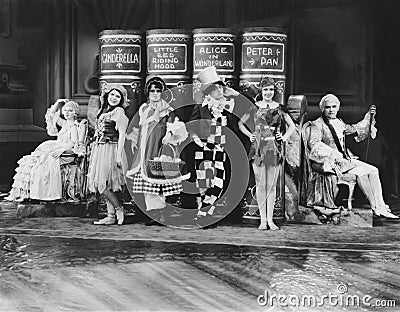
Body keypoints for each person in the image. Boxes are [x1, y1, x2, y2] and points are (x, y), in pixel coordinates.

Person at [307, 93, 398, 219]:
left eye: (334, 106)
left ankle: (381, 207)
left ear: (338, 108)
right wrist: (333, 154)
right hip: (331, 162)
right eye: (328, 107)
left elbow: (354, 129)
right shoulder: (317, 124)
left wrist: (368, 118)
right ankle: (375, 207)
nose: (331, 110)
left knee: (374, 170)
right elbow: (314, 143)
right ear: (323, 108)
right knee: (362, 174)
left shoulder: (339, 122)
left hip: (346, 159)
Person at [126, 76, 189, 226]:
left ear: (162, 92)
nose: (155, 94)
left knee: (158, 179)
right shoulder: (143, 109)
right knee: (146, 180)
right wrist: (136, 141)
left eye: (158, 91)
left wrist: (169, 136)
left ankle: (161, 214)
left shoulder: (167, 109)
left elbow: (176, 127)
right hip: (144, 148)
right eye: (152, 91)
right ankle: (151, 213)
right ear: (148, 93)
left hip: (158, 149)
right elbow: (139, 127)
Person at [187, 66, 242, 226]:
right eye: (215, 88)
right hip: (204, 149)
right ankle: (205, 215)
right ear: (208, 92)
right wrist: (197, 140)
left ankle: (203, 213)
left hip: (221, 150)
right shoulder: (201, 108)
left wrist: (236, 95)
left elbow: (251, 108)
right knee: (204, 183)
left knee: (218, 182)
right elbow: (190, 126)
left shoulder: (228, 107)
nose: (219, 91)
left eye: (220, 87)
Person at [238, 77, 295, 230]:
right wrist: (250, 135)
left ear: (274, 91)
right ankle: (263, 220)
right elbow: (240, 124)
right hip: (258, 148)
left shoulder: (280, 108)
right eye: (265, 90)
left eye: (271, 89)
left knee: (271, 186)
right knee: (261, 184)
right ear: (261, 91)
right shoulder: (254, 107)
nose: (268, 92)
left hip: (273, 148)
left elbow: (292, 126)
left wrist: (283, 137)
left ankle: (271, 220)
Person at [6, 99, 81, 202]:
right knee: (33, 160)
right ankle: (25, 193)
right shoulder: (64, 123)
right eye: (65, 110)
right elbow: (51, 115)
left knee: (45, 162)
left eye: (70, 111)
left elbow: (74, 142)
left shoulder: (74, 126)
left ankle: (46, 193)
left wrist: (62, 149)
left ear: (75, 113)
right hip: (57, 146)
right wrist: (58, 103)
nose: (67, 113)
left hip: (64, 150)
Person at [88, 84, 129, 225]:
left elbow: (122, 134)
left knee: (102, 185)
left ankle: (119, 208)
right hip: (100, 149)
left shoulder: (119, 112)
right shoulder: (103, 111)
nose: (114, 98)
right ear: (107, 96)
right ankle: (110, 216)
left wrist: (118, 156)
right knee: (104, 184)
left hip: (111, 148)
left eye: (118, 96)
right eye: (112, 95)